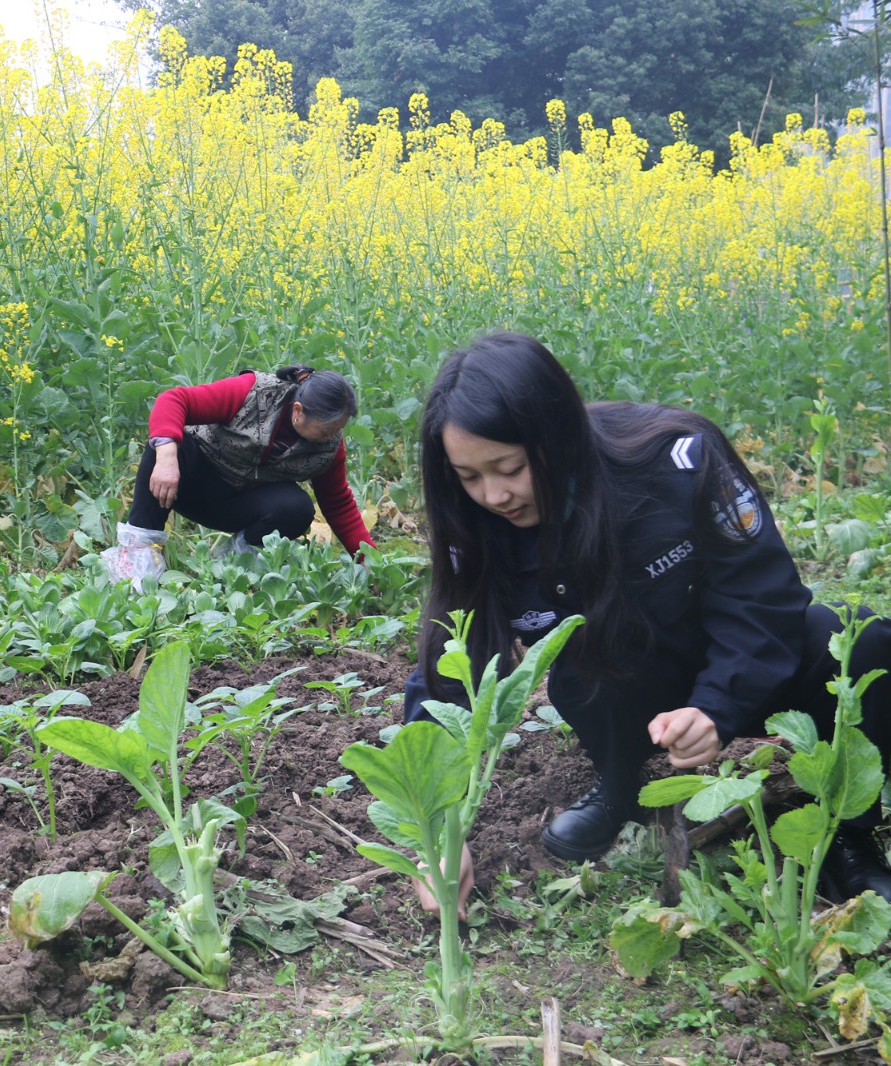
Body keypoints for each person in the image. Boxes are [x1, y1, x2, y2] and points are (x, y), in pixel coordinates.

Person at [403, 331, 891, 912]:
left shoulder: (678, 456)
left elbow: (762, 596)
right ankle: (621, 786)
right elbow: (450, 666)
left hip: (746, 667)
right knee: (587, 647)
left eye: (510, 467)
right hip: (625, 687)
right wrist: (436, 828)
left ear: (558, 438)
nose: (495, 494)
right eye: (469, 475)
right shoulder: (475, 522)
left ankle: (849, 837)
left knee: (857, 639)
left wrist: (715, 706)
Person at [114, 367, 375, 565]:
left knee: (297, 508)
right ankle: (137, 557)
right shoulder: (255, 393)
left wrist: (370, 560)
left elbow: (338, 504)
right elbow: (174, 400)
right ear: (298, 410)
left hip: (235, 504)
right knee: (168, 442)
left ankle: (235, 562)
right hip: (185, 484)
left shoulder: (329, 446)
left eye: (338, 428)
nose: (332, 436)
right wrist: (167, 457)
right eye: (327, 428)